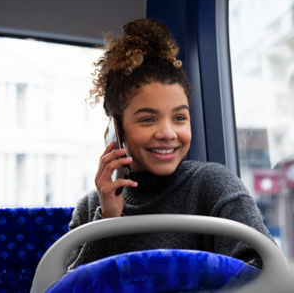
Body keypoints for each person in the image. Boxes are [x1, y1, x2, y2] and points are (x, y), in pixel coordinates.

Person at [65, 18, 275, 272]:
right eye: (148, 119)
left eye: (179, 118)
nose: (167, 133)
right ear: (116, 131)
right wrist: (108, 221)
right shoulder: (91, 208)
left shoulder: (213, 185)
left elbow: (267, 272)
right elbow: (68, 287)